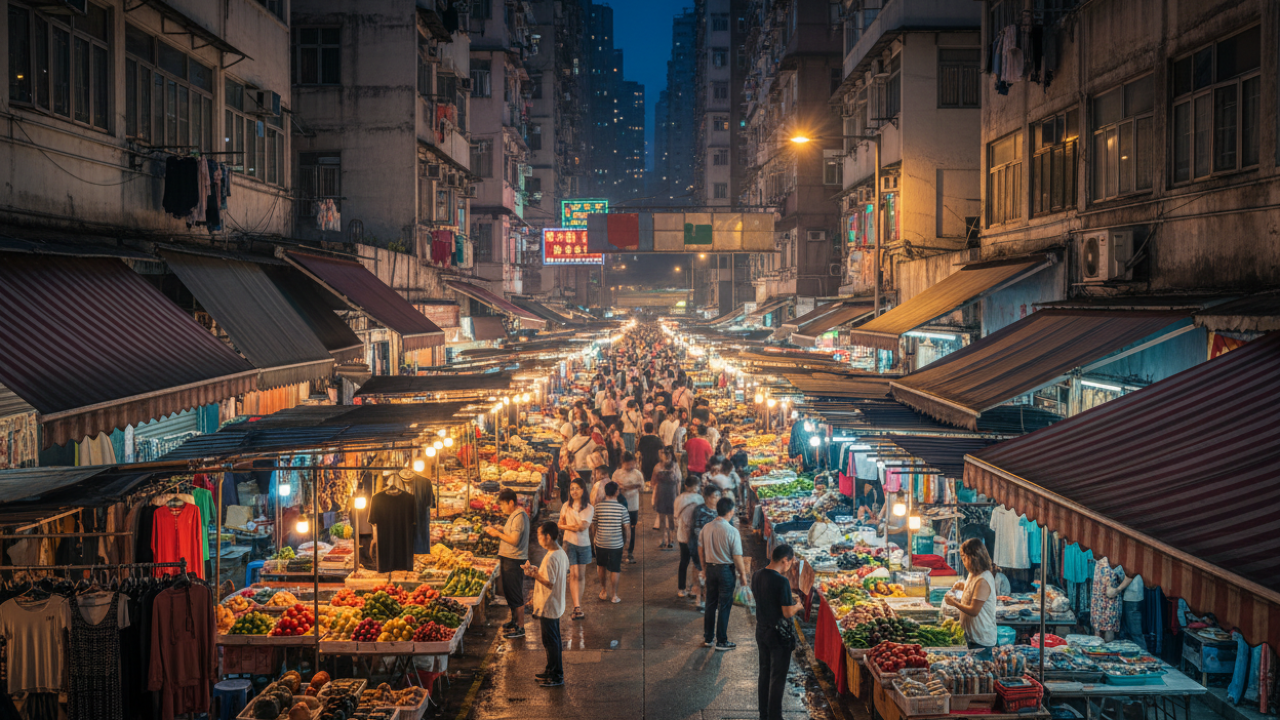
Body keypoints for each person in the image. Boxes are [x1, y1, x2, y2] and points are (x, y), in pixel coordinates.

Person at [753, 544, 803, 720]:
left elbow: (763, 599)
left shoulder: (757, 575)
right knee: (777, 678)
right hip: (778, 636)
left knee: (765, 673)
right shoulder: (781, 581)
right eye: (791, 562)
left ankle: (764, 715)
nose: (791, 566)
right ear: (784, 560)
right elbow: (787, 612)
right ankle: (775, 717)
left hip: (761, 630)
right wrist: (797, 605)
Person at [524, 521, 568, 688]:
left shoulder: (551, 557)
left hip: (549, 605)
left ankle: (557, 675)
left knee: (551, 641)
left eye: (540, 536)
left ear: (548, 537)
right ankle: (550, 669)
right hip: (555, 604)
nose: (539, 539)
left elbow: (549, 582)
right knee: (552, 640)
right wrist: (536, 571)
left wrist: (533, 575)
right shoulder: (560, 553)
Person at [700, 497, 747, 650]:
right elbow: (737, 557)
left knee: (710, 603)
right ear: (731, 511)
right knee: (724, 606)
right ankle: (721, 641)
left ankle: (708, 638)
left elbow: (700, 549)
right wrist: (743, 576)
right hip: (726, 571)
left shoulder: (706, 527)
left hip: (711, 569)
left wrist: (704, 568)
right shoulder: (732, 530)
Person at [485, 489, 530, 639]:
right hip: (509, 558)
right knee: (510, 593)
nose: (502, 508)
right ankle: (514, 621)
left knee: (516, 594)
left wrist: (497, 534)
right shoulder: (515, 515)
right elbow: (511, 534)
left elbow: (514, 540)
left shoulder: (519, 517)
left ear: (511, 502)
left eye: (503, 505)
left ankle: (521, 627)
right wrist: (501, 529)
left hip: (514, 559)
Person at [944, 538, 998, 649]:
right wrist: (963, 586)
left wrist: (954, 603)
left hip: (982, 641)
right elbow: (975, 591)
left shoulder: (983, 580)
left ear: (973, 558)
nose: (962, 561)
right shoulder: (973, 573)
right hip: (972, 636)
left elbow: (974, 610)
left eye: (963, 557)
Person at [557, 478, 593, 621]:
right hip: (569, 543)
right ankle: (576, 607)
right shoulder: (566, 506)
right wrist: (571, 527)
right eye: (572, 488)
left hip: (584, 545)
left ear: (583, 490)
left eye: (577, 488)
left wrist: (567, 526)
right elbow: (560, 523)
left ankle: (578, 604)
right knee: (574, 574)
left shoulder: (589, 508)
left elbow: (581, 527)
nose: (574, 491)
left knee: (581, 575)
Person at [593, 482, 630, 603]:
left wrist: (594, 537)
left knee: (601, 566)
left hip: (601, 542)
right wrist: (627, 545)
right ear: (616, 492)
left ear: (605, 492)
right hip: (616, 543)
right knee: (615, 569)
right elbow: (627, 528)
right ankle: (614, 595)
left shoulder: (597, 507)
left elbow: (594, 525)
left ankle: (603, 590)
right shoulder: (622, 508)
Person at [674, 476, 705, 600]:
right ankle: (695, 589)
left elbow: (675, 516)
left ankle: (681, 589)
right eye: (696, 486)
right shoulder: (699, 498)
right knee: (697, 563)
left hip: (682, 535)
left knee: (684, 562)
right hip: (696, 536)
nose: (696, 489)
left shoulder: (678, 499)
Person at [612, 452, 645, 563]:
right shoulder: (617, 474)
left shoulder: (637, 474)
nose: (630, 466)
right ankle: (619, 552)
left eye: (632, 464)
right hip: (620, 506)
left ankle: (629, 552)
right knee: (619, 529)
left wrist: (633, 486)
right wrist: (621, 488)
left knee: (631, 529)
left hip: (633, 507)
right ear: (623, 463)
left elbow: (642, 487)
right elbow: (613, 489)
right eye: (628, 464)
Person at [650, 448, 681, 550]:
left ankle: (671, 539)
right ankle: (663, 539)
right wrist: (654, 498)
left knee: (671, 519)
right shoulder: (657, 467)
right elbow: (653, 483)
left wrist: (678, 495)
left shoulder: (675, 466)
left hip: (671, 494)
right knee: (662, 518)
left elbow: (678, 482)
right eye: (664, 454)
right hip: (661, 494)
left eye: (668, 455)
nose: (666, 457)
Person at [1111, 567, 1147, 651]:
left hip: (1133, 597)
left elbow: (1130, 575)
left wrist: (1117, 589)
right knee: (1129, 632)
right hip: (1131, 596)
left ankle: (1144, 658)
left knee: (1135, 633)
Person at [636, 421, 665, 487]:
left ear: (645, 429)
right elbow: (662, 451)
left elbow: (639, 451)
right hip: (655, 462)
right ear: (653, 429)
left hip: (645, 462)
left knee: (646, 481)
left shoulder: (642, 440)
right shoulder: (657, 439)